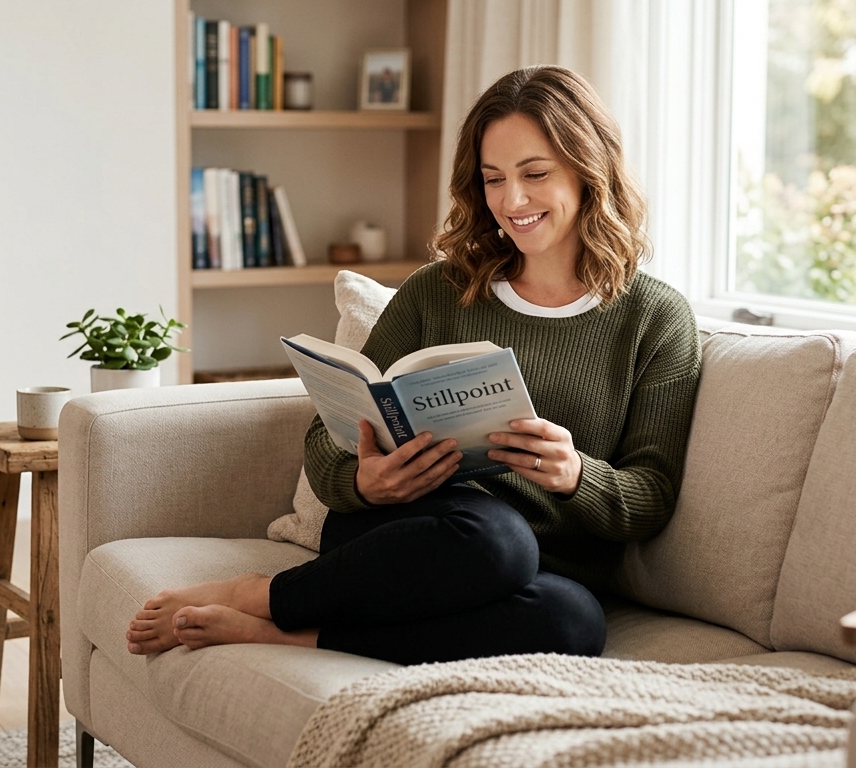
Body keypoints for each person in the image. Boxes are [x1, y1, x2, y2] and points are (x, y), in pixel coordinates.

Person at [126, 65, 700, 665]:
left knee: (574, 623)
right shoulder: (437, 291)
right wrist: (362, 482)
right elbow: (327, 439)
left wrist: (576, 473)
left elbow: (651, 495)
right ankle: (264, 596)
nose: (512, 201)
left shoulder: (655, 319)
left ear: (590, 169)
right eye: (493, 179)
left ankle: (284, 629)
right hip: (404, 534)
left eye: (535, 175)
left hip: (538, 566)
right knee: (497, 540)